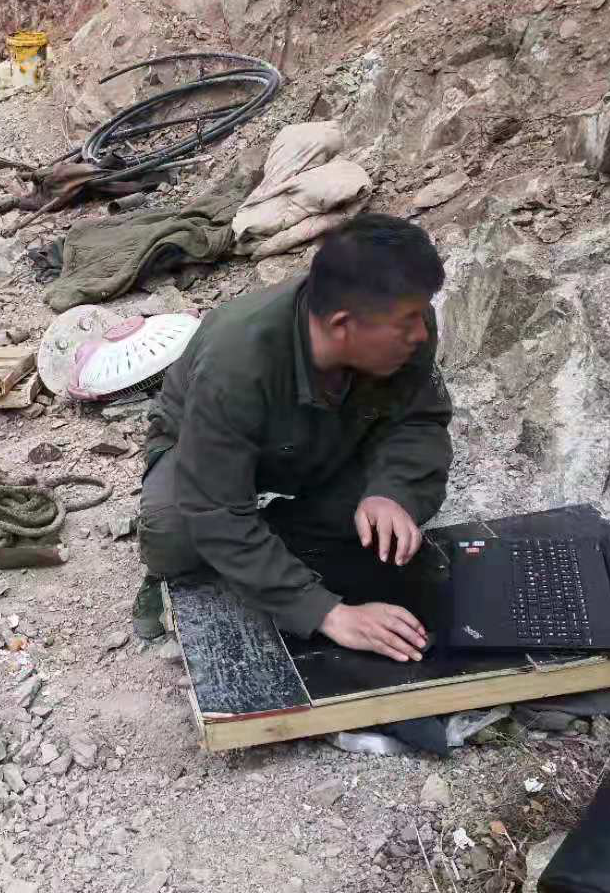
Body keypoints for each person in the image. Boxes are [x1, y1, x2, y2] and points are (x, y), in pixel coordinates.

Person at [133, 213, 453, 663]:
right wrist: (327, 614)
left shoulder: (404, 324)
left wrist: (391, 492)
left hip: (331, 435)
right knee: (179, 531)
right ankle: (207, 568)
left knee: (391, 517)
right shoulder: (235, 362)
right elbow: (214, 506)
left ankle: (268, 544)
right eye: (407, 322)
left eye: (422, 314)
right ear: (342, 324)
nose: (420, 332)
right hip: (209, 441)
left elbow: (420, 422)